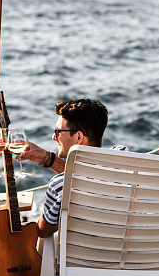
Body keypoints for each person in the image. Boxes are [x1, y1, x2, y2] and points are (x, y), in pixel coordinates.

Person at [18, 98, 108, 238]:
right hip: (132, 257)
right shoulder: (128, 165)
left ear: (78, 137)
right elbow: (93, 175)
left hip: (81, 258)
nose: (54, 137)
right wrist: (48, 159)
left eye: (58, 131)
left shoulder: (60, 185)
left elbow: (42, 231)